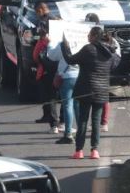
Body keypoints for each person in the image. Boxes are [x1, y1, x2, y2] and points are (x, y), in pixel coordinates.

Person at [62, 25, 120, 159]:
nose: (87, 36)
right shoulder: (109, 52)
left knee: (83, 120)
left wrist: (63, 45)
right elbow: (116, 63)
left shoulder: (88, 49)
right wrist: (113, 45)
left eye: (89, 34)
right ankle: (94, 150)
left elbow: (70, 60)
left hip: (86, 90)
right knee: (96, 121)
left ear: (94, 36)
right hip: (101, 91)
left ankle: (79, 151)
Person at [46, 32, 80, 145]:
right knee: (77, 104)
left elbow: (51, 56)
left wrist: (50, 43)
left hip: (67, 77)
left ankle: (68, 133)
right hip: (79, 76)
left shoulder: (62, 45)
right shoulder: (81, 43)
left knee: (67, 105)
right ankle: (81, 131)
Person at [32, 23, 59, 133]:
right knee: (59, 99)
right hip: (59, 72)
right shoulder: (58, 41)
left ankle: (54, 124)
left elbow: (35, 56)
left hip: (45, 72)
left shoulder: (42, 42)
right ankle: (60, 122)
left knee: (49, 98)